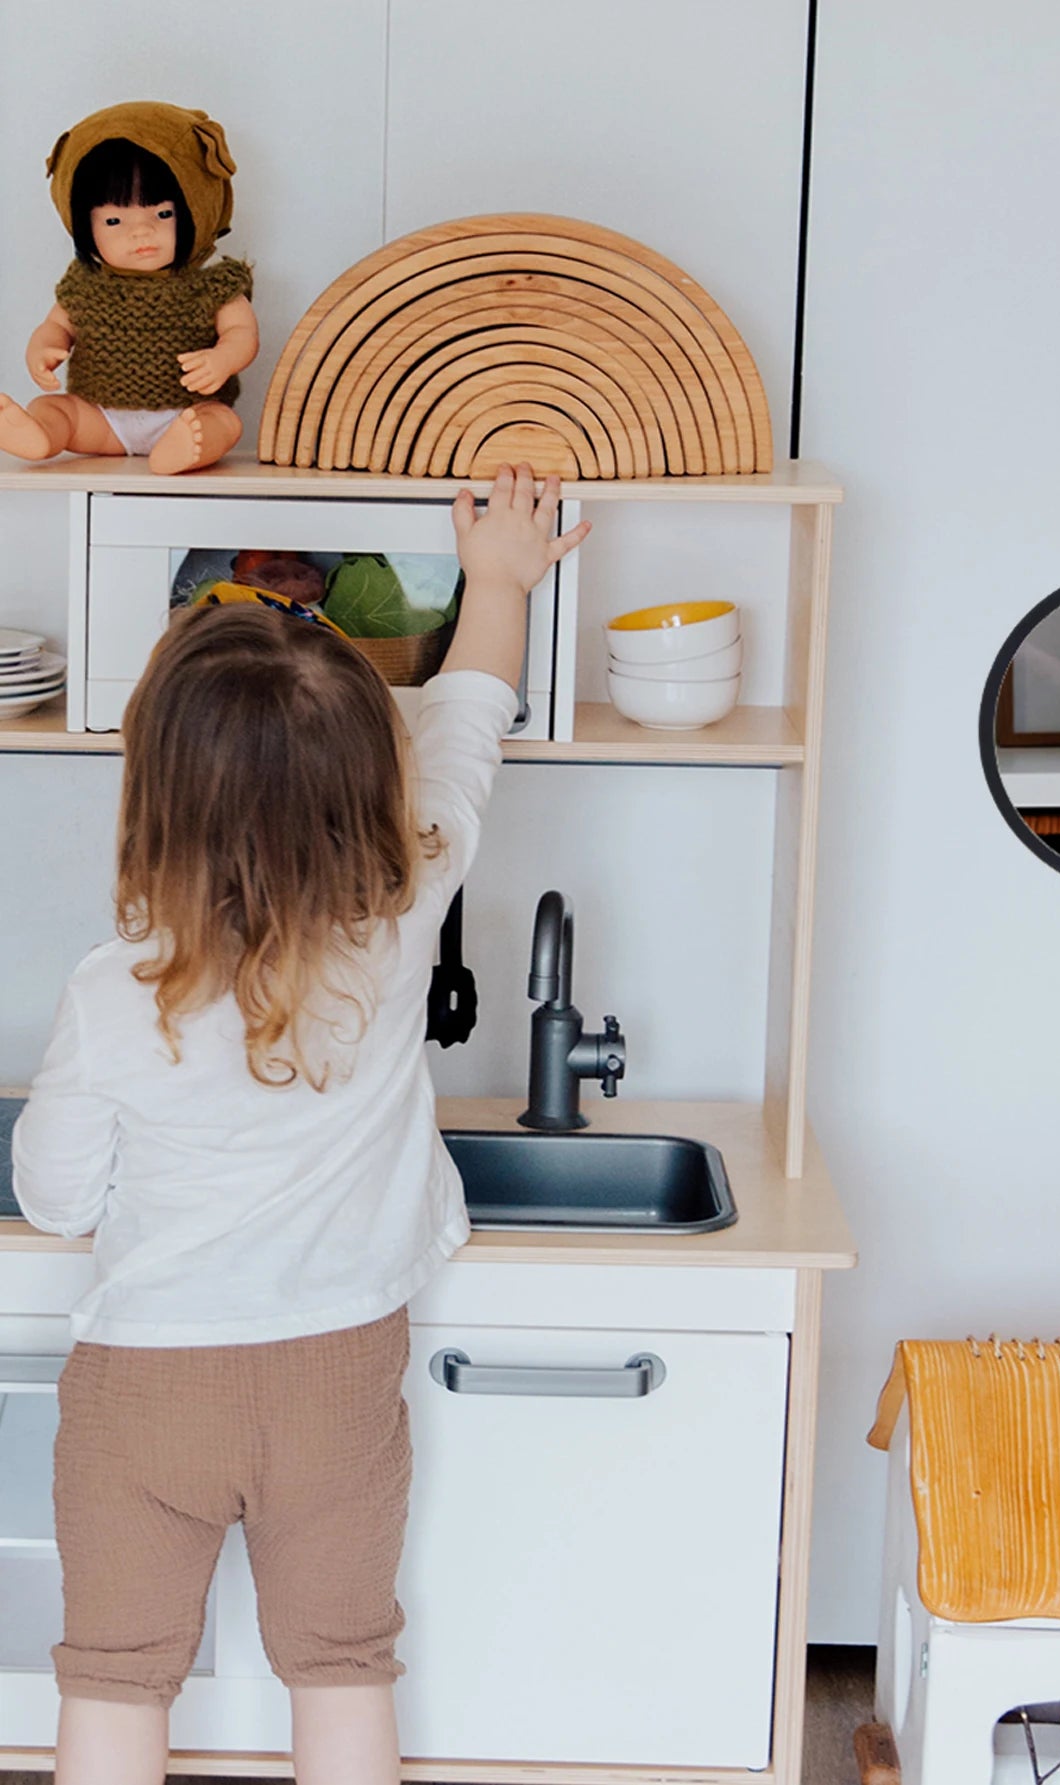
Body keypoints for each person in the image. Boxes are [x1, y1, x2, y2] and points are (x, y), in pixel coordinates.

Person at [12, 465, 590, 1785]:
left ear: (155, 790)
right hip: (337, 1380)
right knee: (342, 1672)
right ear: (362, 783)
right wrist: (497, 577)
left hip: (148, 1388)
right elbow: (468, 726)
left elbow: (52, 1199)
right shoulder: (404, 913)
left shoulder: (116, 992)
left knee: (112, 1686)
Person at [0, 102, 257, 475]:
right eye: (115, 219)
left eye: (162, 214)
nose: (141, 232)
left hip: (184, 412)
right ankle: (40, 435)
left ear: (197, 210)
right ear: (84, 224)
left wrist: (224, 359)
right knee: (55, 408)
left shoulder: (212, 285)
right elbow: (57, 325)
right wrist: (42, 347)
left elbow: (242, 332)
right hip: (101, 418)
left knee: (224, 422)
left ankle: (184, 450)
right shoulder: (84, 286)